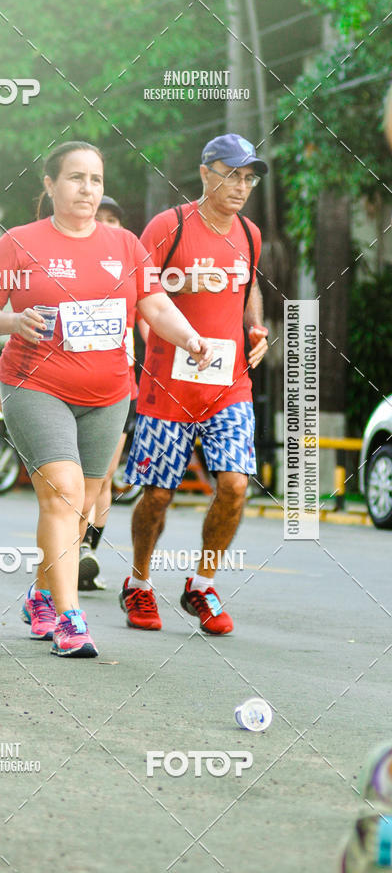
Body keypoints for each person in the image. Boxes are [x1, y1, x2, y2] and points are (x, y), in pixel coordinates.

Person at [0, 141, 212, 658]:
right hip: (36, 386)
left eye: (95, 180)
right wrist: (13, 321)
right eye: (75, 178)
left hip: (108, 393)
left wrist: (189, 337)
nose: (87, 189)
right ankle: (70, 620)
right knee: (65, 494)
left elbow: (154, 303)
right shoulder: (19, 242)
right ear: (50, 185)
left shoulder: (123, 246)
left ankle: (40, 592)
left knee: (83, 509)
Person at [122, 133, 269, 635]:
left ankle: (201, 585)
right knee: (158, 495)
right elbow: (139, 294)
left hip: (230, 384)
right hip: (168, 384)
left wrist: (257, 329)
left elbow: (248, 292)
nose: (241, 186)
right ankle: (138, 582)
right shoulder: (169, 227)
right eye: (232, 174)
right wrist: (150, 343)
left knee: (234, 485)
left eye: (248, 178)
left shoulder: (249, 234)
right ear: (205, 173)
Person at [78, 195, 147, 590]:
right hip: (69, 387)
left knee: (103, 476)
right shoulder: (70, 268)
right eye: (99, 218)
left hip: (122, 387)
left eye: (113, 219)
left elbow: (150, 323)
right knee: (72, 478)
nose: (105, 224)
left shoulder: (132, 273)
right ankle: (68, 548)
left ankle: (87, 550)